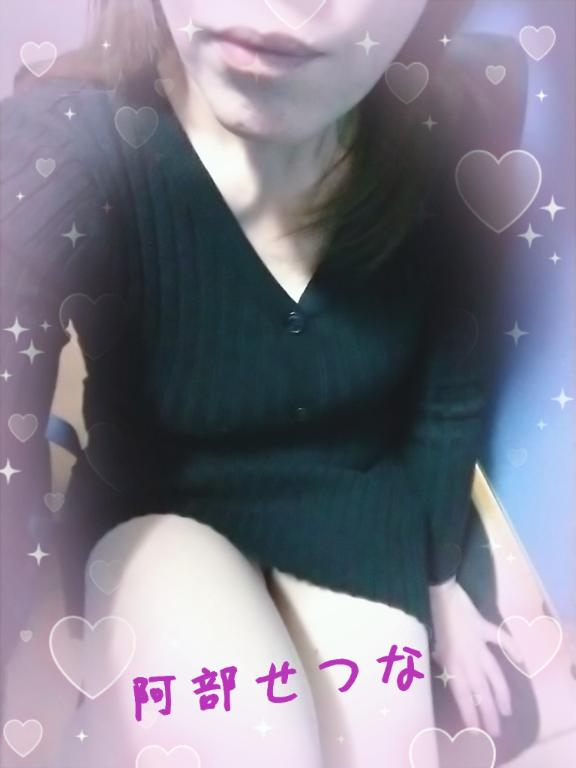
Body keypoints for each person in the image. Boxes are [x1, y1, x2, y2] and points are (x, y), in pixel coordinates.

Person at [0, 1, 526, 765]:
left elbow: (452, 394)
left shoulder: (443, 146)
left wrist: (444, 580)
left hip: (354, 506)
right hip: (158, 511)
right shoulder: (66, 147)